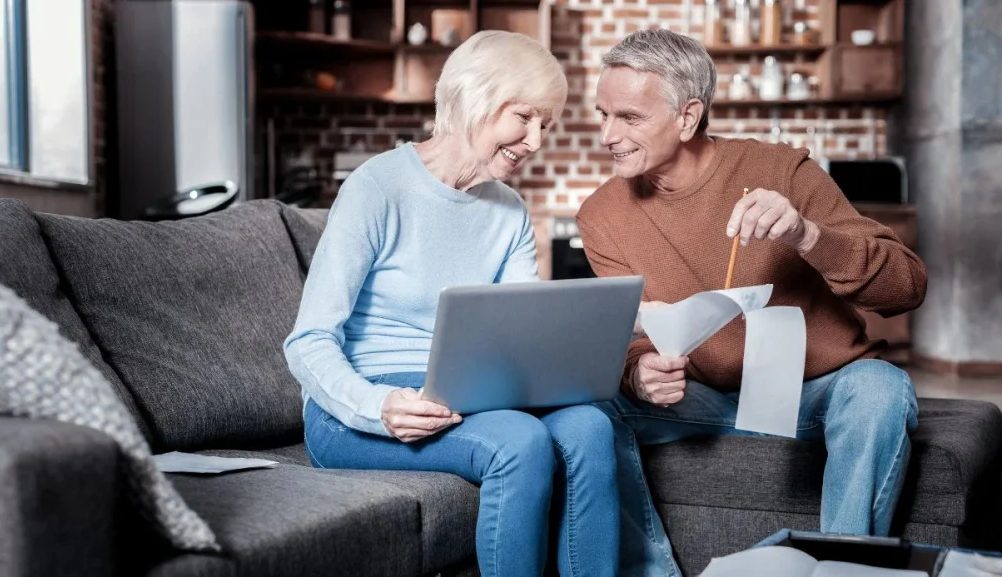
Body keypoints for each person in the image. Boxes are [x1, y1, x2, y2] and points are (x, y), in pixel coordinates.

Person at [576, 29, 928, 577]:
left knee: (880, 389)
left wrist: (807, 234)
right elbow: (634, 337)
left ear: (688, 117)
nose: (606, 134)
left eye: (628, 117)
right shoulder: (601, 216)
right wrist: (639, 371)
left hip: (817, 392)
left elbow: (906, 287)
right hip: (709, 400)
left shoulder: (781, 171)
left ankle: (838, 568)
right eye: (603, 114)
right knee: (584, 411)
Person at [284, 30, 619, 577]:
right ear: (476, 98)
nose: (536, 141)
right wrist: (379, 406)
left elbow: (522, 341)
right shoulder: (378, 188)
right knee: (519, 441)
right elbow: (308, 341)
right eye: (525, 117)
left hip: (468, 394)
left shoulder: (508, 211)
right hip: (361, 408)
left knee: (589, 426)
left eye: (546, 124)